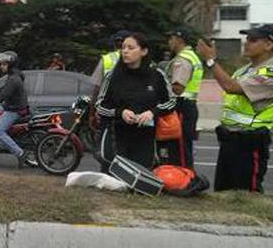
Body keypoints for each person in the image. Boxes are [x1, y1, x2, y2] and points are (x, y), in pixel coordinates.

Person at [196, 25, 273, 192]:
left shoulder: (270, 71)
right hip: (230, 137)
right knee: (224, 191)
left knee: (246, 193)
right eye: (247, 39)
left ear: (269, 45)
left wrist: (211, 60)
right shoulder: (243, 70)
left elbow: (230, 87)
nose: (246, 43)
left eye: (253, 40)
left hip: (251, 139)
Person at [96, 33, 177, 169]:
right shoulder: (113, 76)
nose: (125, 51)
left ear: (143, 51)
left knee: (140, 178)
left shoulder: (156, 75)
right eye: (123, 48)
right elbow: (100, 106)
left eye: (131, 48)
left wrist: (152, 112)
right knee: (116, 181)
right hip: (117, 135)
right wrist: (120, 113)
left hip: (146, 136)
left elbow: (171, 102)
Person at [0, 51, 36, 167]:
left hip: (14, 110)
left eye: (4, 64)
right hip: (14, 107)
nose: (1, 67)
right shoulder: (13, 76)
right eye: (1, 64)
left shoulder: (13, 79)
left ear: (10, 64)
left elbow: (2, 97)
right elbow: (3, 89)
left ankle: (20, 154)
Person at [90, 29, 130, 171]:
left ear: (114, 44)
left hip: (108, 108)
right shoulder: (136, 59)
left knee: (105, 142)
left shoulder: (106, 59)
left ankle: (107, 172)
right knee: (126, 142)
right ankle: (125, 173)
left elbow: (96, 88)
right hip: (129, 108)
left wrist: (93, 110)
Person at [165, 27, 202, 168]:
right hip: (188, 106)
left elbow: (178, 88)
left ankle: (183, 179)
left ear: (179, 39)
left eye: (171, 38)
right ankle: (185, 177)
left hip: (181, 106)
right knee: (183, 147)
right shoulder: (192, 56)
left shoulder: (183, 59)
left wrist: (161, 88)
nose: (169, 42)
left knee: (179, 148)